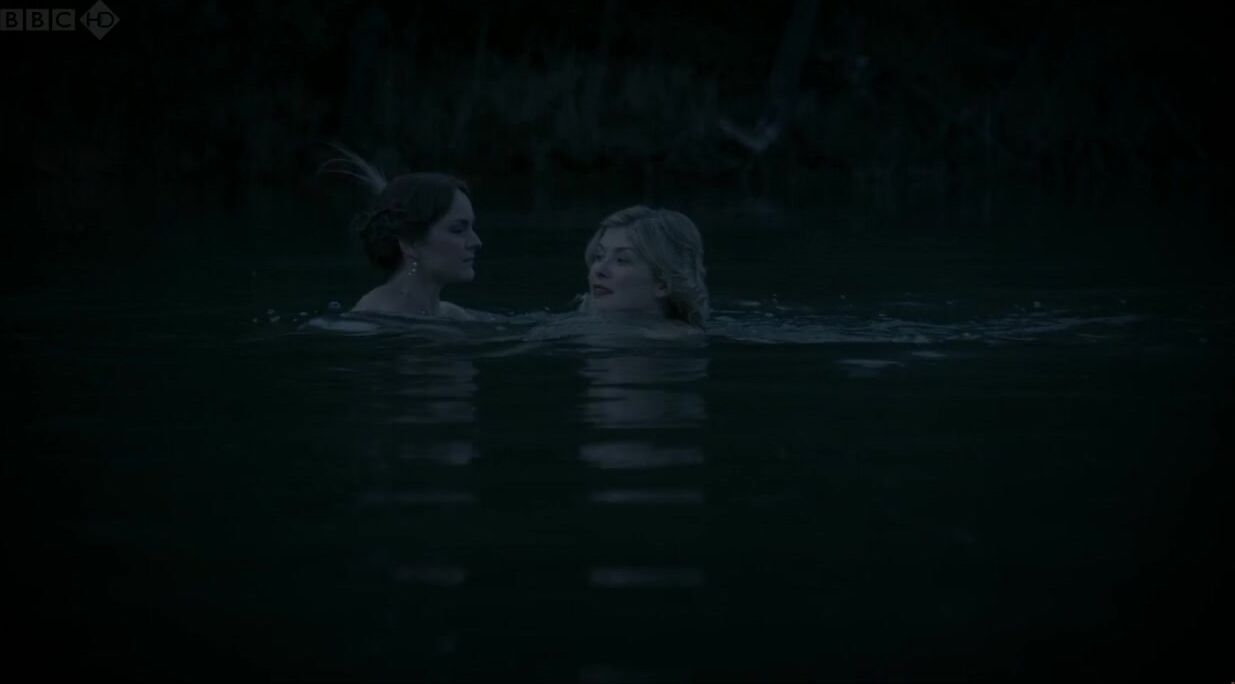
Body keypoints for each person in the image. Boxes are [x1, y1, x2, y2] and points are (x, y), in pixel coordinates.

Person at [324, 147, 483, 320]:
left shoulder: (453, 315)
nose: (476, 242)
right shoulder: (371, 319)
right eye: (458, 230)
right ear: (410, 244)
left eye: (471, 228)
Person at [575, 205, 709, 337]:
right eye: (599, 256)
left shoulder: (672, 339)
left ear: (663, 284)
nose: (599, 270)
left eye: (621, 260)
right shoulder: (592, 321)